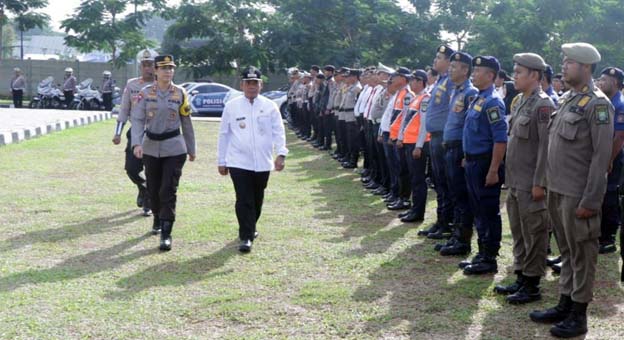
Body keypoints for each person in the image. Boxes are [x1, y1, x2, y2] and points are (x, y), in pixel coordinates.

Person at [530, 43, 613, 339]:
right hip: (557, 190)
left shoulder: (598, 104)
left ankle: (579, 314)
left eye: (570, 62)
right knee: (567, 251)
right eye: (564, 62)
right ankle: (565, 303)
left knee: (583, 253)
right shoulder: (567, 99)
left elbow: (601, 157)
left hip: (578, 194)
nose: (563, 67)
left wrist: (591, 200)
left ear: (586, 67)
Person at [494, 53, 555, 304]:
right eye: (515, 71)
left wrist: (540, 182)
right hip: (516, 180)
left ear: (535, 75)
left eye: (519, 72)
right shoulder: (519, 101)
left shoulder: (544, 105)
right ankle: (520, 275)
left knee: (535, 233)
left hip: (532, 183)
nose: (514, 76)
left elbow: (545, 147)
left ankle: (532, 283)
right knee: (519, 232)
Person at [217, 66, 288, 253]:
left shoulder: (269, 106)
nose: (251, 86)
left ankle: (251, 226)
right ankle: (246, 236)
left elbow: (278, 131)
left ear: (261, 85)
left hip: (263, 162)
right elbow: (224, 135)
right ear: (242, 85)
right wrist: (221, 161)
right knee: (244, 199)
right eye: (248, 83)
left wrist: (281, 154)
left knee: (257, 198)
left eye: (255, 83)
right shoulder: (232, 106)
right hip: (238, 161)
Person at [131, 55, 196, 252]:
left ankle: (166, 233)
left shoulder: (181, 93)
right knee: (154, 188)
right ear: (156, 71)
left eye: (171, 68)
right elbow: (137, 120)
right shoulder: (145, 93)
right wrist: (136, 144)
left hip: (174, 147)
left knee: (168, 189)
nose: (168, 71)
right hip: (150, 146)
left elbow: (186, 121)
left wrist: (191, 148)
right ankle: (157, 217)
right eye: (164, 68)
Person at [460, 55, 507, 275]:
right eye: (474, 70)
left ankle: (490, 257)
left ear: (490, 75)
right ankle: (481, 252)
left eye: (479, 71)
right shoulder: (478, 98)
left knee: (488, 211)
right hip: (472, 161)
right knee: (478, 210)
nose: (474, 74)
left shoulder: (493, 102)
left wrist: (493, 169)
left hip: (485, 163)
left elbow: (500, 139)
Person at [436, 51, 479, 255]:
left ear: (465, 70)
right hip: (449, 147)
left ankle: (463, 240)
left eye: (454, 67)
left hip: (458, 149)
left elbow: (467, 127)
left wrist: (463, 154)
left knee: (461, 196)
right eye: (450, 66)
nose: (451, 69)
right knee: (454, 194)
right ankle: (455, 235)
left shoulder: (470, 93)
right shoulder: (457, 91)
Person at [112, 49, 158, 219]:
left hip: (155, 132)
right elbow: (124, 110)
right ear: (140, 67)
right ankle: (143, 188)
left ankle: (148, 201)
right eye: (145, 65)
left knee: (152, 169)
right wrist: (117, 133)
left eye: (151, 65)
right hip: (136, 132)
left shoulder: (162, 84)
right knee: (132, 169)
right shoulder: (132, 85)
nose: (148, 68)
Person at [419, 45, 455, 238]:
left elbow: (452, 112)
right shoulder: (440, 80)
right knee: (439, 182)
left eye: (439, 57)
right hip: (435, 136)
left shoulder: (450, 81)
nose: (435, 60)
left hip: (443, 138)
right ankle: (440, 221)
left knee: (445, 182)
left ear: (449, 61)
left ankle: (446, 222)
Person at [595, 67, 624, 255]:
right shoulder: (606, 101)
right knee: (602, 194)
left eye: (603, 80)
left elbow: (619, 136)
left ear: (614, 83)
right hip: (604, 155)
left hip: (615, 157)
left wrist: (609, 159)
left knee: (609, 195)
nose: (600, 82)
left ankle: (608, 238)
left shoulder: (619, 104)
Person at [396, 69, 430, 222]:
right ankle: (413, 209)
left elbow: (424, 125)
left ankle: (418, 212)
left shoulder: (425, 99)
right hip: (410, 142)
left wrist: (419, 145)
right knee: (412, 177)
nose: (410, 83)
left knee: (418, 179)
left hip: (416, 144)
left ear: (420, 81)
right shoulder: (417, 97)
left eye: (413, 80)